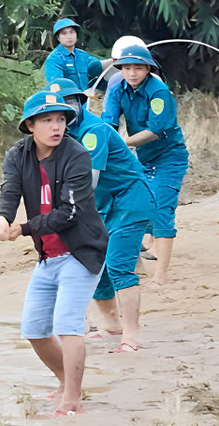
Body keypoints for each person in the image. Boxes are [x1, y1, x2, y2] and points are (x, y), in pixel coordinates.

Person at [0, 90, 108, 415]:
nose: (56, 126)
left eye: (60, 119)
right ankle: (66, 382)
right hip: (48, 256)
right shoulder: (18, 154)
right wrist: (3, 219)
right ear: (30, 124)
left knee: (67, 324)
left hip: (81, 252)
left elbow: (69, 212)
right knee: (33, 329)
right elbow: (10, 190)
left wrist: (24, 228)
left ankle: (72, 399)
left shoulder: (76, 155)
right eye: (47, 120)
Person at [49, 78, 155, 352]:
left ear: (80, 104)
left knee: (119, 265)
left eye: (68, 107)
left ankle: (131, 336)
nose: (60, 118)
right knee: (94, 265)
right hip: (103, 205)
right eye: (52, 114)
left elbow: (89, 181)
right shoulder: (57, 136)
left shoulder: (93, 130)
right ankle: (111, 325)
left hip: (130, 200)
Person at [101, 43, 188, 286]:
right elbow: (108, 120)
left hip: (169, 156)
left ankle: (160, 277)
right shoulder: (117, 85)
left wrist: (123, 144)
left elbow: (156, 130)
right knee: (130, 206)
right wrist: (106, 141)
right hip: (140, 157)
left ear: (149, 69)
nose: (132, 73)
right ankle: (136, 268)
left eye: (138, 68)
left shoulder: (158, 91)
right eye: (126, 68)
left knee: (161, 208)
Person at [43, 18, 104, 89]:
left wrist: (114, 61)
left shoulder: (82, 55)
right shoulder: (54, 59)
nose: (69, 37)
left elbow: (98, 65)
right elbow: (55, 87)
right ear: (58, 37)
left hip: (86, 98)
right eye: (64, 33)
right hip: (68, 98)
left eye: (72, 32)